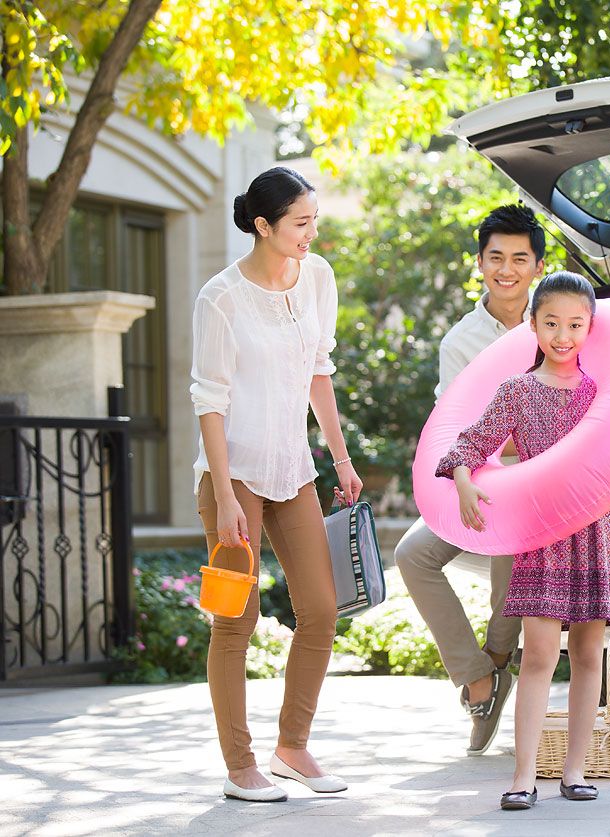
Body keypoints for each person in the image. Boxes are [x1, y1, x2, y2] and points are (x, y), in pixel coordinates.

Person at [434, 271, 610, 810]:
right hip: (541, 536)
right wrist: (466, 484)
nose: (563, 335)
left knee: (590, 652)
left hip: (596, 534)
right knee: (540, 654)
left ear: (591, 328)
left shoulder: (603, 394)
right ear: (533, 325)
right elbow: (467, 446)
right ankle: (524, 775)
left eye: (575, 324)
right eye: (551, 323)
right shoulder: (517, 391)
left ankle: (575, 770)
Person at [190, 166, 361, 802]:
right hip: (232, 478)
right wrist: (228, 495)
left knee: (320, 612)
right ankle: (241, 767)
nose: (311, 233)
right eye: (300, 223)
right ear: (263, 226)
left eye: (314, 220)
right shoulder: (221, 299)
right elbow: (209, 401)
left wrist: (340, 460)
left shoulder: (317, 278)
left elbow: (320, 372)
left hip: (294, 472)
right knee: (234, 622)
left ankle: (293, 748)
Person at [394, 204, 546, 755]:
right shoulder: (461, 340)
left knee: (513, 538)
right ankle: (478, 676)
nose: (506, 270)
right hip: (477, 475)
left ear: (537, 266)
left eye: (519, 259)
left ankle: (501, 660)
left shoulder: (558, 317)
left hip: (544, 481)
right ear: (480, 262)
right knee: (413, 555)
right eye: (496, 257)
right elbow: (456, 424)